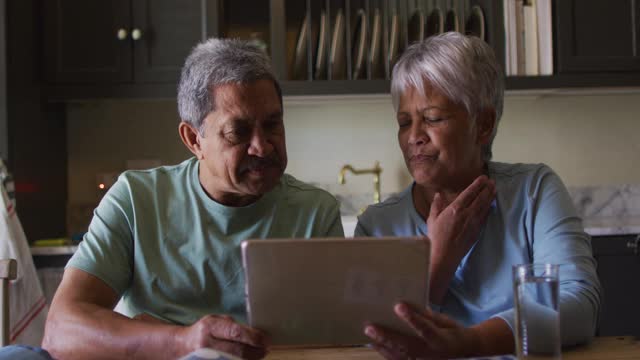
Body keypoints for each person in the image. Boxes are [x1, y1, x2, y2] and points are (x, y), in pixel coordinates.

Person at [38, 38, 343, 360]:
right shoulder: (135, 200)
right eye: (238, 132)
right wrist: (183, 342)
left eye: (272, 124)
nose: (262, 146)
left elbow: (338, 338)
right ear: (194, 139)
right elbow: (60, 332)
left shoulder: (315, 213)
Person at [356, 32, 601, 359]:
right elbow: (372, 341)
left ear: (483, 124)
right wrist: (438, 262)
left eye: (432, 118)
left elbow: (580, 306)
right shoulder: (377, 226)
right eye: (404, 122)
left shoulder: (534, 191)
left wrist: (474, 342)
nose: (414, 136)